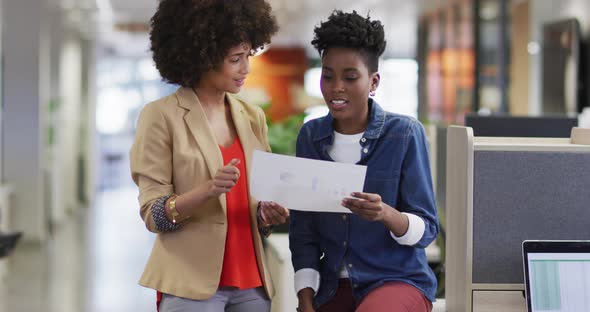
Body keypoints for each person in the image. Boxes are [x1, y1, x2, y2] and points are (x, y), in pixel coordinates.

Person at [129, 1, 289, 311]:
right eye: (235, 59)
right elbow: (154, 215)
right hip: (190, 284)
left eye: (248, 56)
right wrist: (208, 190)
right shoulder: (160, 116)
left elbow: (255, 202)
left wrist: (266, 216)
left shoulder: (252, 116)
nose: (246, 69)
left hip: (252, 283)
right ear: (203, 56)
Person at [289, 10, 439, 312]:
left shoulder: (405, 134)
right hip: (333, 287)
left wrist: (385, 214)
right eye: (328, 75)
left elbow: (427, 229)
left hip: (396, 280)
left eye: (350, 77)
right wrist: (305, 299)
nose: (336, 88)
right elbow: (303, 230)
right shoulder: (310, 137)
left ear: (373, 82)